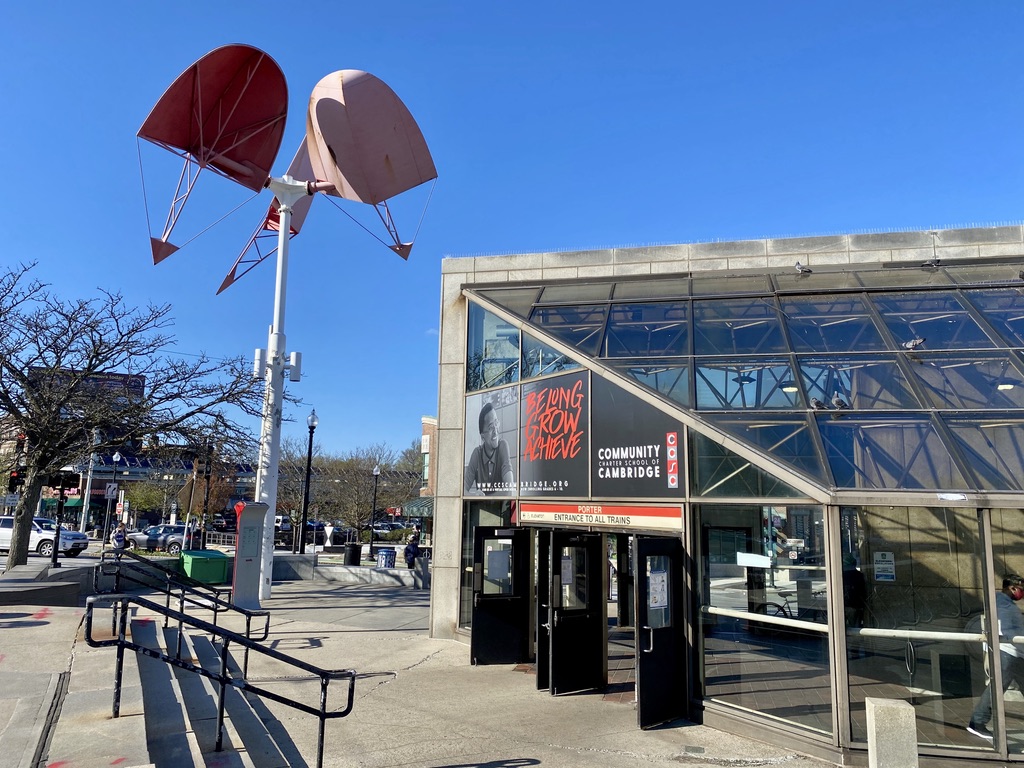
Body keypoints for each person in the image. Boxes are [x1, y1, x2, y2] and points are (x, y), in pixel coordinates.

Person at [968, 574, 1024, 741]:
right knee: (996, 688)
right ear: (1012, 588)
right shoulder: (1003, 606)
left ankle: (977, 722)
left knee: (997, 688)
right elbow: (1005, 631)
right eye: (1021, 589)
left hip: (1013, 653)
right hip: (1008, 653)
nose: (1022, 593)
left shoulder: (1003, 603)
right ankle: (977, 722)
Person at [464, 402, 514, 495]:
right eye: (491, 427)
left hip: (502, 509)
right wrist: (474, 496)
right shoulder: (477, 454)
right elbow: (462, 490)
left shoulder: (502, 446)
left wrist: (484, 499)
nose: (495, 431)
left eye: (496, 423)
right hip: (481, 509)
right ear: (483, 437)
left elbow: (509, 490)